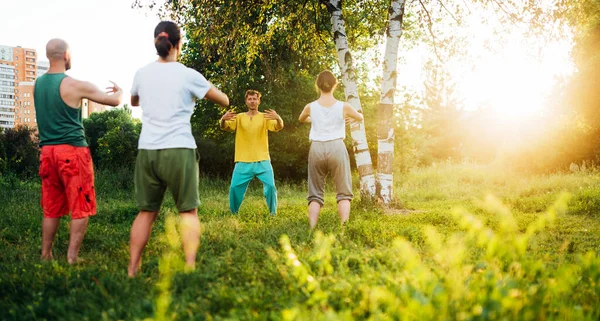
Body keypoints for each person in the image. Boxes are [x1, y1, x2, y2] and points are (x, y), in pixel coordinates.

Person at [128, 21, 230, 277]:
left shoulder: (141, 73)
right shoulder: (188, 74)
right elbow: (223, 100)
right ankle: (189, 266)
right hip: (179, 149)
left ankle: (132, 269)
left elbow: (134, 100)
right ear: (178, 44)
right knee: (188, 211)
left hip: (148, 150)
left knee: (146, 212)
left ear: (156, 43)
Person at [34, 38, 123, 264]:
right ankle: (72, 257)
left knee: (51, 207)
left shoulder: (37, 85)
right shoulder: (74, 85)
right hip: (72, 152)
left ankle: (46, 254)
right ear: (65, 55)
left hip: (47, 153)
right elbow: (114, 101)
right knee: (81, 206)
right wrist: (120, 91)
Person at [298, 71, 363, 229]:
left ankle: (312, 229)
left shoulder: (310, 107)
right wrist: (350, 116)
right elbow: (360, 118)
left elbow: (301, 118)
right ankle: (343, 228)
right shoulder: (344, 106)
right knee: (343, 191)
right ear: (335, 85)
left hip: (316, 148)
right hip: (336, 147)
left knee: (315, 193)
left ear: (317, 85)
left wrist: (314, 119)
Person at [220, 90, 283, 216]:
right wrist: (222, 119)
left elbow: (278, 127)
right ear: (246, 101)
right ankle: (233, 213)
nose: (252, 101)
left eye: (255, 99)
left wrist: (278, 118)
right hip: (243, 160)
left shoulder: (265, 117)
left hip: (262, 159)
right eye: (250, 99)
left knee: (270, 186)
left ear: (259, 101)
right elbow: (225, 127)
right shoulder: (239, 117)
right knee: (234, 188)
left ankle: (273, 213)